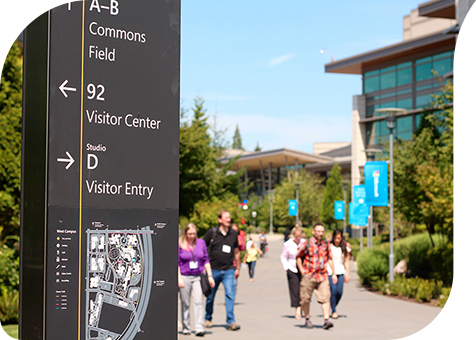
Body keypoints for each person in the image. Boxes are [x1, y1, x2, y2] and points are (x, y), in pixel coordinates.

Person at [203, 210, 241, 331]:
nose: (229, 220)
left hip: (229, 269)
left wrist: (238, 268)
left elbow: (236, 251)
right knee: (210, 296)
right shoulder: (212, 233)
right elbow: (202, 248)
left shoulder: (234, 234)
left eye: (229, 217)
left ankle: (231, 321)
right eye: (226, 218)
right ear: (220, 220)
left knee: (230, 294)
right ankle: (208, 318)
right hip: (213, 270)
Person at [296, 224, 337, 330]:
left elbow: (329, 258)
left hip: (322, 275)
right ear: (313, 231)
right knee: (305, 299)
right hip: (309, 275)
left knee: (326, 297)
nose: (320, 234)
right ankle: (307, 319)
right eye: (318, 231)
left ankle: (326, 320)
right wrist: (302, 271)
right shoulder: (307, 244)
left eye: (322, 231)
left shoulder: (325, 245)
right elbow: (298, 257)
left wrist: (334, 273)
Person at [178, 223, 215, 336]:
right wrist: (179, 278)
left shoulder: (201, 243)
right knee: (185, 302)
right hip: (184, 275)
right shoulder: (180, 243)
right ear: (185, 233)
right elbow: (176, 262)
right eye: (189, 234)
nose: (192, 236)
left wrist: (210, 275)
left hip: (198, 276)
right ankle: (186, 326)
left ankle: (199, 327)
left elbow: (206, 260)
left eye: (194, 234)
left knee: (199, 301)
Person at [280, 225, 306, 319]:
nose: (298, 238)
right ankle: (298, 309)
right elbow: (283, 256)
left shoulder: (304, 243)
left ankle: (304, 308)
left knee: (303, 289)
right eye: (296, 236)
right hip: (292, 268)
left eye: (299, 236)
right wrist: (286, 267)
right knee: (295, 290)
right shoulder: (288, 244)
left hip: (303, 269)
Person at [327, 229, 351, 319]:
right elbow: (329, 259)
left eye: (339, 238)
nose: (337, 240)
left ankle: (332, 304)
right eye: (336, 238)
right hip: (330, 271)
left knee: (339, 292)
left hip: (340, 271)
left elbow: (347, 261)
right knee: (333, 290)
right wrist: (333, 273)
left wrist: (347, 274)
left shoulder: (345, 247)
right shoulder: (329, 246)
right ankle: (333, 310)